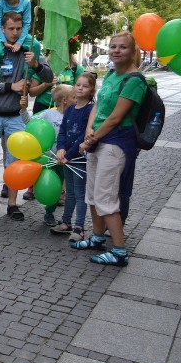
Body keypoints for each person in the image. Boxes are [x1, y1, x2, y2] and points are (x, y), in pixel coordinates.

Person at [70, 31, 144, 267]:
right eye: (113, 46)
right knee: (92, 195)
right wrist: (89, 128)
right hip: (98, 140)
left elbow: (115, 118)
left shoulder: (135, 81)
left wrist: (90, 140)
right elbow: (99, 106)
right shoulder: (111, 74)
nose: (116, 51)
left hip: (116, 143)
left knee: (106, 198)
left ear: (132, 51)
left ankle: (119, 251)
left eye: (122, 47)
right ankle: (98, 237)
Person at [0, 11, 53, 222]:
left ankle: (12, 204)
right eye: (11, 29)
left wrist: (36, 64)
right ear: (2, 29)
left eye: (19, 29)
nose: (15, 33)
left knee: (15, 161)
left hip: (15, 116)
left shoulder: (30, 49)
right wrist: (11, 86)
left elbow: (49, 77)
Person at [52, 72, 96, 240]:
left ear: (91, 90)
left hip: (79, 159)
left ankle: (79, 227)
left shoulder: (90, 110)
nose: (80, 88)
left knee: (79, 193)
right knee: (69, 191)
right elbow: (62, 131)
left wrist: (68, 154)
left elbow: (83, 137)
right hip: (67, 158)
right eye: (78, 85)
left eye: (85, 86)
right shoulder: (70, 108)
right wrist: (61, 148)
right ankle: (65, 222)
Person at [25, 84, 72, 227]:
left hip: (66, 159)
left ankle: (56, 214)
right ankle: (49, 214)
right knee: (52, 184)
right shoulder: (48, 114)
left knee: (60, 188)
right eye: (74, 97)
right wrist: (22, 109)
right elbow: (29, 122)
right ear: (64, 100)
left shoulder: (74, 114)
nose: (77, 99)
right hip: (50, 160)